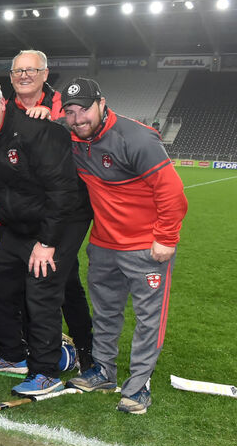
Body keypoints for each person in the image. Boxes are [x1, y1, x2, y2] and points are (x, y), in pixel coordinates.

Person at [0, 78, 92, 397]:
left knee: (41, 287)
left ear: (3, 103)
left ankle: (46, 372)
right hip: (19, 222)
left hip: (63, 219)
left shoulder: (37, 131)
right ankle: (12, 354)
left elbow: (63, 191)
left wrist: (47, 243)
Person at [62, 78, 188, 414]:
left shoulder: (136, 138)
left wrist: (166, 238)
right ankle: (103, 370)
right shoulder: (72, 139)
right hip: (103, 245)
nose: (78, 119)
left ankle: (139, 386)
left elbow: (172, 194)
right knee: (104, 312)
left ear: (102, 104)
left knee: (149, 318)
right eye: (70, 112)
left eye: (84, 109)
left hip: (146, 247)